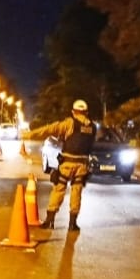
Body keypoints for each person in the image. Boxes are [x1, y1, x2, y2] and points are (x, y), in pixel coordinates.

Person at [30, 99, 96, 232]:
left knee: (58, 190)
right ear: (86, 112)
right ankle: (72, 224)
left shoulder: (69, 123)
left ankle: (49, 220)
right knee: (76, 193)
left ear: (73, 112)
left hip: (67, 164)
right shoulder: (93, 127)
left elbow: (49, 129)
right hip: (82, 165)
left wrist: (30, 134)